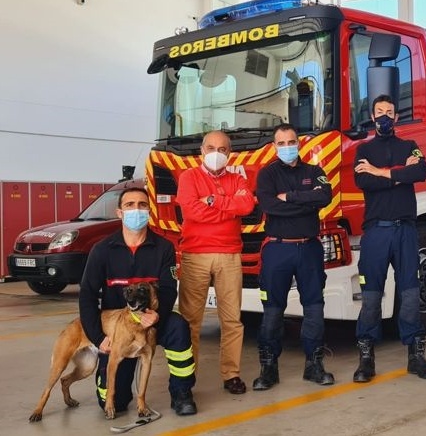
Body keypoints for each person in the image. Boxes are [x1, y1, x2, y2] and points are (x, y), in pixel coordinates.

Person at [79, 187, 197, 416]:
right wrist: (99, 338)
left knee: (179, 327)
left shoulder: (163, 248)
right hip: (118, 330)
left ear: (149, 210)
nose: (137, 210)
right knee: (113, 403)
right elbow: (87, 296)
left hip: (151, 322)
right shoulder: (102, 250)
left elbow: (168, 288)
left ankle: (182, 393)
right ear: (119, 213)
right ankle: (113, 381)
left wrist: (158, 313)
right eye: (130, 205)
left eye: (142, 205)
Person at [352, 94, 426, 383]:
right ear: (373, 117)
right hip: (376, 232)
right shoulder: (362, 149)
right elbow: (363, 181)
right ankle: (366, 359)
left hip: (405, 231)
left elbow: (420, 171)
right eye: (380, 112)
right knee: (371, 298)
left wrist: (379, 172)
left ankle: (416, 355)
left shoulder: (409, 146)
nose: (385, 116)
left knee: (411, 295)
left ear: (396, 117)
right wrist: (398, 174)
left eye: (390, 111)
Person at [252, 123, 335, 390]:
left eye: (291, 142)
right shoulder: (267, 175)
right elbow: (269, 206)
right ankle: (268, 368)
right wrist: (304, 204)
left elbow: (325, 196)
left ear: (299, 143)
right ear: (274, 146)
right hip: (278, 249)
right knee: (273, 310)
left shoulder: (314, 171)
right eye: (282, 143)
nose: (287, 147)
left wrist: (289, 197)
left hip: (309, 249)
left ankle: (314, 364)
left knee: (314, 307)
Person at [175, 130, 255, 395]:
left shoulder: (237, 178)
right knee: (190, 321)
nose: (216, 154)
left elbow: (246, 207)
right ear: (201, 151)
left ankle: (231, 374)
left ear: (229, 153)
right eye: (211, 148)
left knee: (232, 319)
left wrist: (211, 201)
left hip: (230, 255)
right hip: (195, 255)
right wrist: (226, 209)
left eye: (222, 149)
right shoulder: (189, 177)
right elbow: (190, 211)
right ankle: (187, 377)